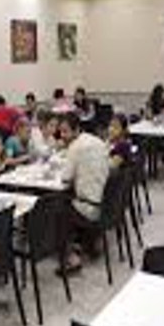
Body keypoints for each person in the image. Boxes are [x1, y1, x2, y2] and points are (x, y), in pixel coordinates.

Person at [60, 112, 111, 270]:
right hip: (105, 204)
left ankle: (71, 256)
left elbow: (65, 179)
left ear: (77, 130)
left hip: (88, 207)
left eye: (65, 131)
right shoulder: (97, 141)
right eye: (61, 131)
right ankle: (90, 242)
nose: (62, 135)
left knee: (56, 209)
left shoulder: (75, 147)